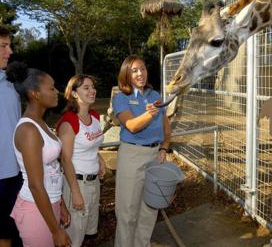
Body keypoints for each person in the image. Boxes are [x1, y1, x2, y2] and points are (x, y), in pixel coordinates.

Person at [7, 62, 71, 247]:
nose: (56, 91)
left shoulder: (40, 123)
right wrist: (55, 230)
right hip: (35, 210)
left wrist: (61, 205)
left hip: (49, 204)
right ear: (35, 94)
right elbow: (35, 185)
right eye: (51, 88)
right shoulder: (28, 130)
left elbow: (53, 169)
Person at [112, 55, 171, 247]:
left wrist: (163, 148)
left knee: (149, 210)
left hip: (155, 156)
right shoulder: (121, 98)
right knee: (127, 211)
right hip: (132, 156)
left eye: (143, 69)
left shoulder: (155, 96)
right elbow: (132, 126)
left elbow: (166, 128)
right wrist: (149, 113)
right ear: (126, 74)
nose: (140, 74)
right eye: (135, 70)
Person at [56, 75, 106, 247]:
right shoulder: (69, 121)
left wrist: (100, 159)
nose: (92, 90)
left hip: (94, 183)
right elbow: (65, 159)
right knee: (73, 238)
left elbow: (91, 145)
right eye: (86, 87)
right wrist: (76, 193)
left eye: (93, 87)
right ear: (74, 94)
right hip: (77, 184)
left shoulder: (94, 116)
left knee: (85, 232)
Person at [0, 26, 23, 247]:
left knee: (15, 232)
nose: (10, 51)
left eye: (10, 45)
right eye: (3, 46)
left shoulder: (12, 81)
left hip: (17, 172)